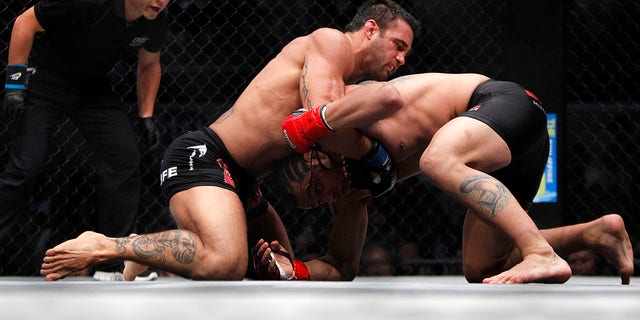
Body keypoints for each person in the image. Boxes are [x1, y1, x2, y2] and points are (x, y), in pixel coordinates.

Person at [39, 0, 421, 281]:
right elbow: (319, 116)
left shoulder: (348, 82)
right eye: (398, 45)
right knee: (226, 262)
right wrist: (373, 155)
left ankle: (147, 252)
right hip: (205, 156)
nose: (402, 59)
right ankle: (107, 245)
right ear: (370, 30)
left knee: (277, 268)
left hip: (245, 182)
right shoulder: (331, 43)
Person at [253, 72, 635, 284]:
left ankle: (540, 253)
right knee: (481, 268)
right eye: (317, 202)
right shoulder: (354, 191)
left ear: (317, 155)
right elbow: (342, 265)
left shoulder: (350, 120)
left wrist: (307, 125)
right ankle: (596, 233)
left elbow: (380, 95)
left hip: (506, 104)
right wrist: (294, 270)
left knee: (437, 160)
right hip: (506, 151)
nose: (328, 198)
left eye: (317, 188)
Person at [1, 0, 169, 279]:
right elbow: (25, 22)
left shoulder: (156, 18)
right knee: (24, 169)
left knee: (125, 158)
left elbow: (149, 63)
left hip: (92, 89)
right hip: (47, 80)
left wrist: (146, 116)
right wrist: (15, 86)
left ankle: (110, 266)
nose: (161, 2)